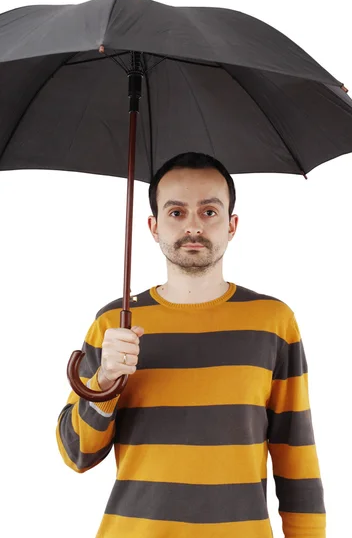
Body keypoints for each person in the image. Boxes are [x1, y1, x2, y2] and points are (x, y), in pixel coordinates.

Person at [56, 151, 326, 538]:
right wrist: (104, 381)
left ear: (232, 225)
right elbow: (75, 454)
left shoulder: (273, 322)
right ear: (154, 226)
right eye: (177, 212)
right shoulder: (114, 324)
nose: (194, 226)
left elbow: (295, 449)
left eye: (209, 212)